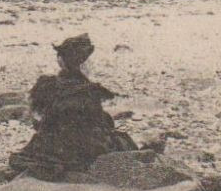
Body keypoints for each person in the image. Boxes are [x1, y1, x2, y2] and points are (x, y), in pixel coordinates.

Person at [8, 34, 136, 180]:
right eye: (90, 61)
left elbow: (39, 119)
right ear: (82, 64)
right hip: (80, 148)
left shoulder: (48, 86)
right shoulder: (87, 91)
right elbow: (97, 126)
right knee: (122, 142)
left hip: (48, 145)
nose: (92, 65)